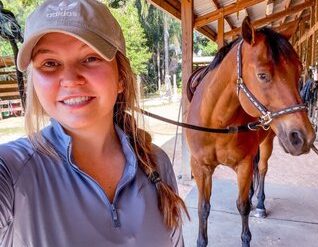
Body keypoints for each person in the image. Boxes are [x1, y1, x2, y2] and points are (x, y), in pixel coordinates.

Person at [0, 0, 188, 246]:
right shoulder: (12, 171)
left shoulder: (157, 163)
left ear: (121, 77)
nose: (70, 79)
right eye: (50, 63)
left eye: (90, 58)